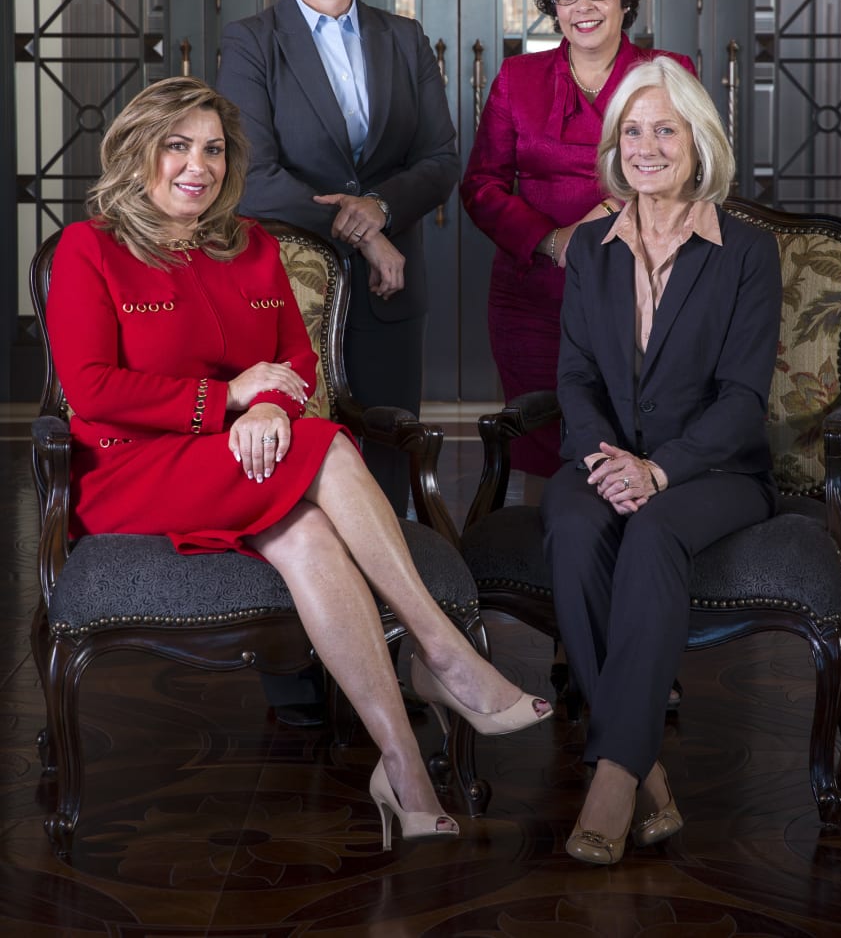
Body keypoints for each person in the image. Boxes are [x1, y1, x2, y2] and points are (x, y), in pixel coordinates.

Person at [45, 77, 552, 851]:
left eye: (213, 148)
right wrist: (226, 406)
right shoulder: (93, 247)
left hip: (243, 456)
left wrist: (275, 407)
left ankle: (404, 769)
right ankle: (444, 653)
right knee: (327, 444)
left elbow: (292, 354)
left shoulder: (249, 244)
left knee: (309, 533)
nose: (198, 164)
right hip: (134, 471)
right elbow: (90, 389)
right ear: (137, 151)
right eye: (177, 145)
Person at [218, 0, 458, 726]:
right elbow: (252, 176)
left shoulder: (404, 36)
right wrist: (368, 230)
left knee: (385, 466)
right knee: (293, 466)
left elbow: (440, 157)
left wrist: (383, 206)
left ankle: (394, 659)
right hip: (284, 290)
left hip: (393, 294)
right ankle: (294, 669)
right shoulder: (251, 41)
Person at [540, 57, 781, 865]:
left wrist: (660, 471)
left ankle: (612, 777)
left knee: (651, 536)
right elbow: (573, 375)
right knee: (572, 525)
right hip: (608, 458)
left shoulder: (746, 251)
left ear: (697, 141)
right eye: (631, 132)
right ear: (615, 147)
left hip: (715, 474)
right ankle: (649, 776)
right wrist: (607, 462)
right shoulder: (592, 250)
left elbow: (744, 400)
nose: (645, 147)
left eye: (664, 130)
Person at [461, 0, 696, 479]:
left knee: (629, 445)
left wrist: (610, 213)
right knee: (548, 448)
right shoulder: (517, 78)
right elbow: (481, 185)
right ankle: (553, 565)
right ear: (552, 3)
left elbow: (692, 170)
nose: (582, 6)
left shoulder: (667, 72)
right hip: (535, 295)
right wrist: (553, 239)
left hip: (643, 289)